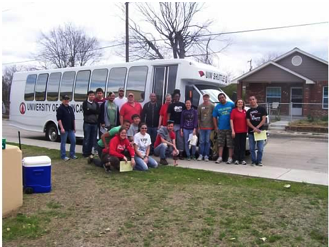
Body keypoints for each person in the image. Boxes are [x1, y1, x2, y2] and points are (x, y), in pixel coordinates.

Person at [212, 93, 235, 164]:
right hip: (221, 128)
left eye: (222, 97)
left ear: (225, 97)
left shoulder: (231, 104)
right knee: (220, 144)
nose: (221, 99)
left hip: (230, 128)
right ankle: (220, 157)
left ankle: (230, 158)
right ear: (218, 100)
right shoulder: (217, 107)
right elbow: (214, 117)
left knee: (230, 144)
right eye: (220, 98)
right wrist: (216, 127)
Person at [246, 96, 268, 166]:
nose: (252, 101)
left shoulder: (262, 109)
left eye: (253, 99)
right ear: (249, 102)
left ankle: (259, 161)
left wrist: (257, 128)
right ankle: (253, 161)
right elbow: (248, 122)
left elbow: (263, 119)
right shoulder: (248, 111)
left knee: (260, 148)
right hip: (251, 132)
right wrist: (254, 128)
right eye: (250, 100)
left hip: (260, 132)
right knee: (252, 148)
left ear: (256, 100)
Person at [56, 95, 77, 161]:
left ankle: (72, 154)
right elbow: (59, 119)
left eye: (67, 99)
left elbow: (73, 118)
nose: (66, 100)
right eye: (65, 99)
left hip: (70, 128)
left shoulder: (70, 108)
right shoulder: (60, 108)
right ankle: (63, 155)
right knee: (63, 142)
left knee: (73, 141)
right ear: (62, 100)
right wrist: (61, 128)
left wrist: (74, 127)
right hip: (64, 128)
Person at [167, 90, 186, 159]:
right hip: (173, 124)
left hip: (180, 125)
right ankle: (174, 153)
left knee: (180, 139)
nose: (177, 98)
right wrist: (169, 123)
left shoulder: (183, 105)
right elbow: (168, 114)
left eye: (178, 96)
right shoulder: (171, 105)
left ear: (179, 97)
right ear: (174, 97)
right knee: (173, 139)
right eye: (175, 96)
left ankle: (180, 153)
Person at [197, 93, 215, 162]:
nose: (205, 98)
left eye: (207, 97)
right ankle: (201, 155)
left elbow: (214, 116)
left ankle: (206, 155)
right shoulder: (200, 106)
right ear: (203, 98)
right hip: (202, 127)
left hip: (209, 127)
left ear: (209, 97)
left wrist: (214, 126)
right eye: (204, 97)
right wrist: (198, 126)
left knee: (207, 142)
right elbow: (198, 117)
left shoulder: (212, 106)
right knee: (201, 142)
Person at [82, 91, 100, 158]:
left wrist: (90, 110)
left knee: (94, 139)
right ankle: (85, 153)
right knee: (86, 138)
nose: (92, 96)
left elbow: (98, 111)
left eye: (93, 95)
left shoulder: (96, 103)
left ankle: (92, 152)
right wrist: (93, 111)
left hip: (94, 123)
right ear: (88, 96)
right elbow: (86, 112)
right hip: (87, 123)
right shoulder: (85, 103)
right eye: (90, 95)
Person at [230, 99, 248, 165]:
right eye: (238, 102)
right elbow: (231, 121)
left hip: (244, 131)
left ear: (243, 104)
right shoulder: (233, 111)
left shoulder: (245, 111)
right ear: (236, 104)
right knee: (236, 145)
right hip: (236, 131)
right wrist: (233, 130)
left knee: (243, 146)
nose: (240, 103)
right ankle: (236, 159)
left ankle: (242, 159)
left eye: (241, 102)